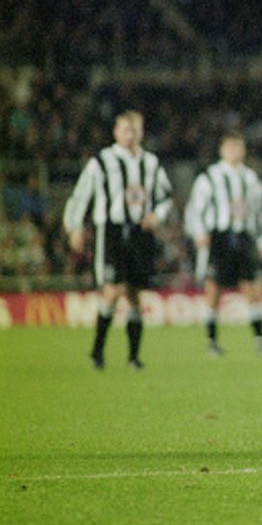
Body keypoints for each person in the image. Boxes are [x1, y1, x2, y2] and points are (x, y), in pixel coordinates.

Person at [63, 110, 174, 370]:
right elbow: (81, 195)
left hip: (140, 233)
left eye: (135, 129)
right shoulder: (101, 161)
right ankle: (97, 351)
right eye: (125, 129)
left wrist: (157, 214)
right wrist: (75, 226)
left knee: (135, 293)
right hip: (110, 231)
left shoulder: (151, 163)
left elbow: (167, 195)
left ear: (142, 132)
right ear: (116, 132)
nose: (130, 134)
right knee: (112, 291)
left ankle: (134, 357)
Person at [184, 131, 262, 357]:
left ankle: (260, 340)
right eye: (230, 146)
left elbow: (260, 214)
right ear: (222, 150)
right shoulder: (210, 177)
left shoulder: (251, 179)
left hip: (244, 236)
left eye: (238, 146)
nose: (235, 150)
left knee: (251, 288)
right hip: (218, 237)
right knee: (213, 289)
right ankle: (212, 342)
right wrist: (198, 232)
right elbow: (195, 209)